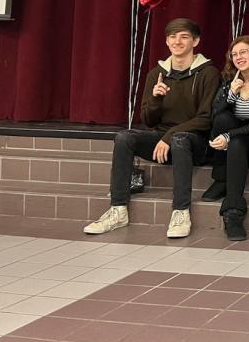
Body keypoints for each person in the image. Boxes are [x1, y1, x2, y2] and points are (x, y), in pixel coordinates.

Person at [84, 18, 220, 238]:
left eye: (184, 36)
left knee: (180, 139)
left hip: (195, 142)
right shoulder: (157, 73)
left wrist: (169, 135)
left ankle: (180, 212)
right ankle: (118, 209)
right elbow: (147, 120)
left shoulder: (208, 73)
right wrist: (156, 99)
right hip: (163, 141)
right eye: (173, 37)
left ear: (195, 41)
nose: (178, 41)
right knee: (124, 138)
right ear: (167, 41)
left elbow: (206, 119)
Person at [207, 36, 249, 241]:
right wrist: (231, 95)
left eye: (244, 52)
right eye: (235, 54)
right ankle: (224, 179)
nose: (239, 57)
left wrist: (229, 136)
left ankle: (233, 213)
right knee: (222, 119)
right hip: (237, 142)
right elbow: (214, 116)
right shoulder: (230, 80)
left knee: (235, 141)